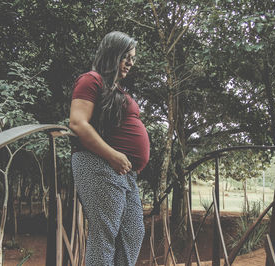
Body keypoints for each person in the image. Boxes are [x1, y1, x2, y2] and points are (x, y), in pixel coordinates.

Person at [69, 31, 150, 266]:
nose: (130, 63)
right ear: (113, 53)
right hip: (98, 163)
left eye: (133, 58)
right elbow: (77, 123)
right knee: (104, 235)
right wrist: (113, 155)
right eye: (126, 56)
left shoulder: (114, 89)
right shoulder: (90, 79)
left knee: (134, 233)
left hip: (123, 172)